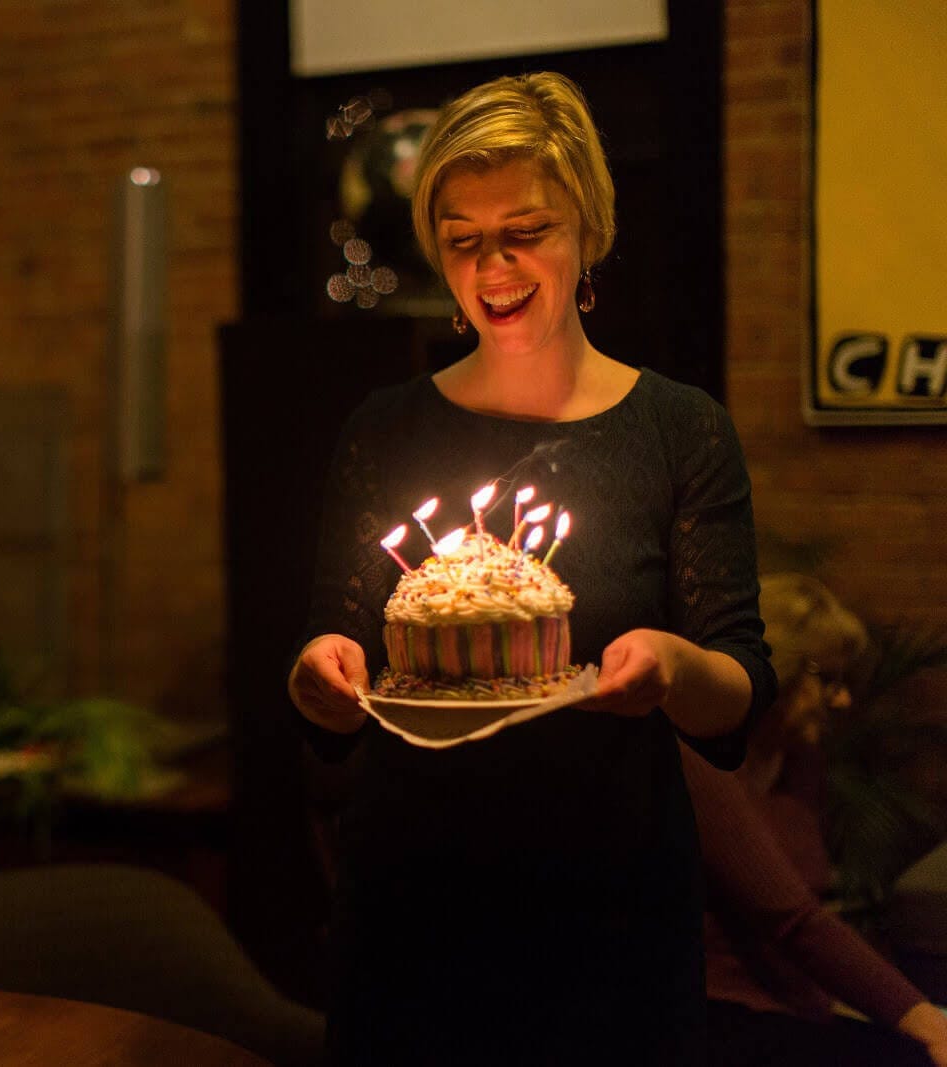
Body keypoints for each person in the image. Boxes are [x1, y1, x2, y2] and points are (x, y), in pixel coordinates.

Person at [286, 72, 777, 1064]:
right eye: (462, 237)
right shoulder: (383, 428)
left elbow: (741, 694)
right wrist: (321, 681)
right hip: (413, 912)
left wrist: (674, 667)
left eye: (525, 230)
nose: (493, 264)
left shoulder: (680, 430)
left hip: (610, 916)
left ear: (586, 226)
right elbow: (333, 667)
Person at [687, 573, 947, 1066]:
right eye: (828, 678)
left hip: (800, 1011)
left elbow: (816, 905)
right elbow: (791, 919)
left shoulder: (798, 757)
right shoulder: (701, 761)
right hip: (722, 1016)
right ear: (775, 669)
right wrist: (927, 1020)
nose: (844, 699)